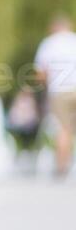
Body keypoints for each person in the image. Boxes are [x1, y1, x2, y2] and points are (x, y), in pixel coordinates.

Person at [35, 13, 76, 177]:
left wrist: (47, 86)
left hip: (59, 91)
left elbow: (40, 73)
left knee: (64, 130)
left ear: (54, 28)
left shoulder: (49, 43)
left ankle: (62, 168)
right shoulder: (74, 40)